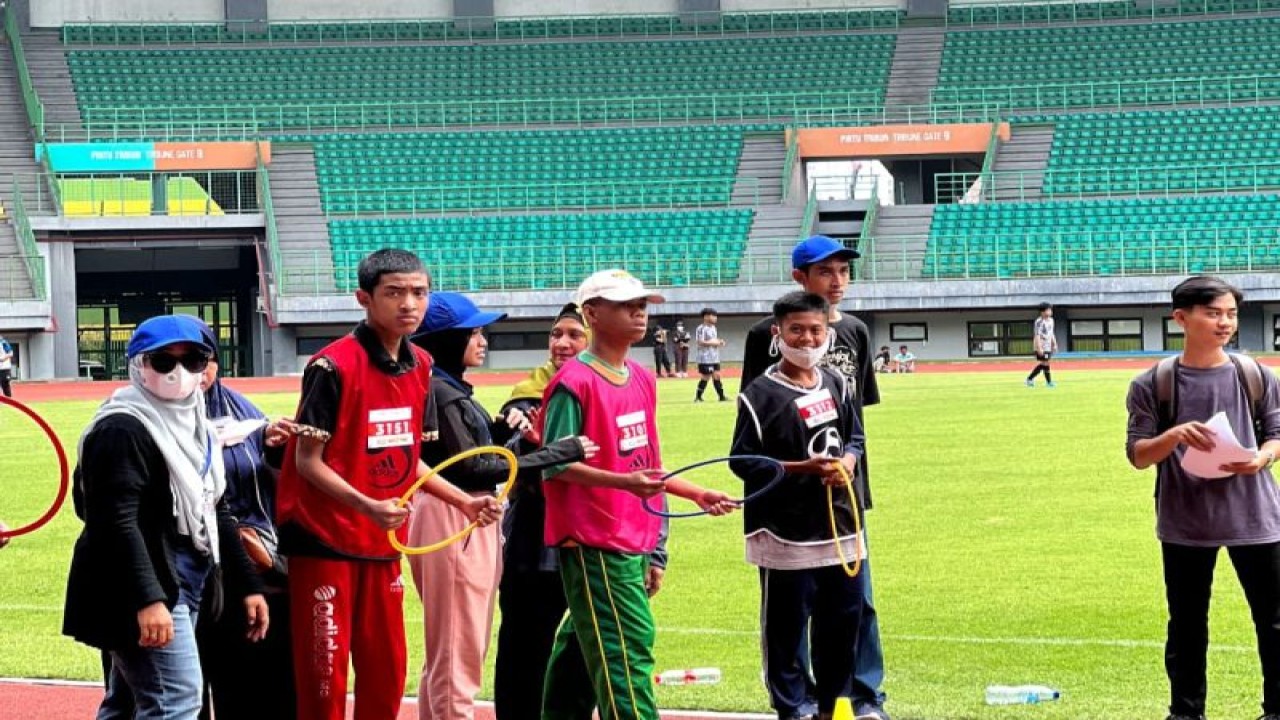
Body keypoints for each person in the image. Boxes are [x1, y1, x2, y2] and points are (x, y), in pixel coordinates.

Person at [276, 249, 501, 720]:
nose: (408, 304)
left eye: (418, 292)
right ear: (364, 298)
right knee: (325, 679)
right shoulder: (330, 367)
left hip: (381, 544)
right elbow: (308, 461)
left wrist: (463, 502)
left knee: (386, 673)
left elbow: (405, 456)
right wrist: (367, 505)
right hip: (324, 542)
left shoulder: (420, 365)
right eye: (394, 292)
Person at [539, 269, 737, 720]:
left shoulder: (642, 378)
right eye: (625, 304)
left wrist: (694, 493)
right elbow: (555, 464)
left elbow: (645, 464)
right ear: (592, 313)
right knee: (627, 652)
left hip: (633, 535)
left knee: (582, 647)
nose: (639, 311)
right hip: (595, 540)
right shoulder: (575, 382)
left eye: (642, 303)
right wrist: (625, 484)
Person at [63, 314, 270, 720]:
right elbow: (115, 521)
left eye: (192, 360)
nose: (179, 372)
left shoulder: (197, 425)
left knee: (128, 702)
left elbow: (215, 507)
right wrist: (149, 599)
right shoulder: (121, 428)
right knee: (175, 701)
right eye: (163, 361)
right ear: (138, 365)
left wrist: (247, 584)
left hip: (186, 574)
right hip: (146, 579)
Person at [407, 292, 595, 720]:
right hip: (459, 514)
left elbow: (472, 454)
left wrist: (498, 431)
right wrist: (555, 452)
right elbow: (472, 469)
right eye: (472, 332)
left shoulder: (448, 388)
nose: (483, 339)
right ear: (446, 340)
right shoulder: (442, 391)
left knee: (449, 649)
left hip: (460, 512)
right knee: (459, 648)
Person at [493, 304, 671, 720]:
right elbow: (515, 474)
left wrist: (656, 547)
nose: (562, 343)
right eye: (556, 334)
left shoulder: (628, 382)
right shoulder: (525, 398)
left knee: (585, 651)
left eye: (573, 334)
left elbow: (643, 464)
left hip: (607, 542)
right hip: (538, 545)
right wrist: (529, 446)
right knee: (528, 648)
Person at [738, 235, 886, 720]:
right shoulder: (765, 341)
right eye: (826, 271)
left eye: (844, 271)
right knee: (790, 611)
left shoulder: (855, 336)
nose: (837, 280)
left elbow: (855, 422)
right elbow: (756, 429)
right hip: (787, 508)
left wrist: (847, 464)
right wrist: (800, 468)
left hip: (843, 497)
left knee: (851, 606)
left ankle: (858, 697)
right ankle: (794, 701)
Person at [1127, 276, 1280, 720]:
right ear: (1181, 318)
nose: (1224, 322)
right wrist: (1172, 435)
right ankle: (1186, 712)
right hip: (1185, 522)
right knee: (1188, 626)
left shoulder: (1254, 375)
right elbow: (1137, 455)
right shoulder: (1154, 383)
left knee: (1273, 622)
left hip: (1256, 518)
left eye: (1230, 313)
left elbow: (1276, 433)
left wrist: (1262, 459)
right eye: (1213, 313)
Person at [193, 320, 298, 720]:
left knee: (261, 690)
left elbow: (276, 481)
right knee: (181, 696)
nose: (194, 372)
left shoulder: (241, 409)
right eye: (172, 361)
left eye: (202, 360)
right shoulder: (134, 421)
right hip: (185, 574)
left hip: (252, 568)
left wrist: (276, 447)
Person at [694, 307, 728, 402]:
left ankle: (721, 397)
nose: (715, 318)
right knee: (706, 376)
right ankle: (698, 397)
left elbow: (713, 340)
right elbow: (700, 342)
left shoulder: (713, 328)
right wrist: (715, 343)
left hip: (714, 357)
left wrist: (719, 341)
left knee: (716, 375)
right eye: (713, 316)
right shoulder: (701, 328)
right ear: (706, 317)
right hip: (705, 357)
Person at [1025, 302, 1057, 388]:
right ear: (1042, 312)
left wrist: (1054, 343)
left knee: (1045, 363)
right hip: (1041, 346)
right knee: (1045, 363)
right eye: (1048, 310)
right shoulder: (1039, 322)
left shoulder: (1051, 320)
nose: (1050, 312)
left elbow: (1051, 333)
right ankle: (1047, 382)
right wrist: (1039, 348)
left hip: (1048, 346)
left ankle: (1031, 379)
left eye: (1050, 310)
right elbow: (1037, 335)